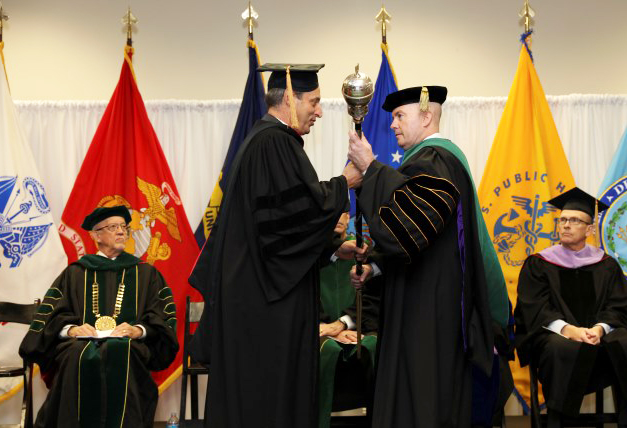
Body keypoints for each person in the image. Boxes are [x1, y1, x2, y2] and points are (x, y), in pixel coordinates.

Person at [188, 63, 365, 428]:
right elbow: (295, 215)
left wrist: (333, 248)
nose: (319, 111)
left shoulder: (264, 139)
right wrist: (344, 183)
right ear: (289, 97)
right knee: (265, 399)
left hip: (254, 297)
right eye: (314, 102)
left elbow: (280, 231)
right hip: (264, 308)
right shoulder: (273, 143)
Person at [347, 86, 503, 427]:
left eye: (400, 116)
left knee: (423, 392)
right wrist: (374, 267)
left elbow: (408, 227)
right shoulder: (431, 161)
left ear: (427, 116)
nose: (392, 125)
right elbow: (421, 234)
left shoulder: (436, 160)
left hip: (431, 308)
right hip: (425, 296)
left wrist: (371, 168)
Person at [513, 187, 627, 426]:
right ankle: (559, 421)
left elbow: (619, 305)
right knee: (560, 348)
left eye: (574, 220)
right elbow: (535, 307)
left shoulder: (606, 265)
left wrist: (600, 329)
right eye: (562, 219)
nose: (565, 225)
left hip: (598, 336)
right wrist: (569, 331)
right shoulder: (540, 263)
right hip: (558, 337)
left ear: (590, 229)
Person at [19, 205, 179, 428]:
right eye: (113, 227)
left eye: (124, 227)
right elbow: (52, 316)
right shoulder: (75, 273)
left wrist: (138, 330)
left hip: (129, 346)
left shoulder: (146, 273)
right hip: (78, 346)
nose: (121, 231)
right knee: (77, 352)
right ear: (95, 235)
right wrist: (71, 330)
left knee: (122, 350)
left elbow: (161, 317)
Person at [317, 211, 380, 428]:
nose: (336, 217)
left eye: (341, 212)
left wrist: (345, 322)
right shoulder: (312, 258)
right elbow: (304, 298)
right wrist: (328, 327)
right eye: (329, 211)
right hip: (321, 329)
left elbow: (372, 300)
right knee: (328, 349)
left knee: (374, 345)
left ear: (348, 217)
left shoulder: (364, 257)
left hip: (357, 327)